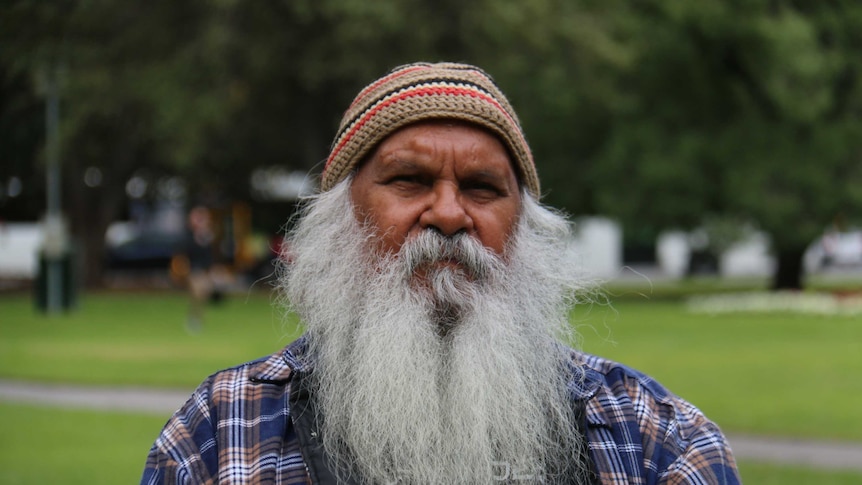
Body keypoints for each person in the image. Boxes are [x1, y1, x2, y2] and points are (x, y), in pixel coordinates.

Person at [142, 62, 740, 484]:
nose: (450, 214)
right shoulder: (222, 434)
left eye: (482, 188)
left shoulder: (654, 439)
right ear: (340, 219)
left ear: (525, 232)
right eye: (409, 181)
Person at [183, 205, 215, 332]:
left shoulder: (207, 236)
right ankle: (195, 318)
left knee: (202, 295)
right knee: (197, 293)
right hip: (194, 270)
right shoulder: (189, 236)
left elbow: (210, 255)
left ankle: (197, 318)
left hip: (205, 270)